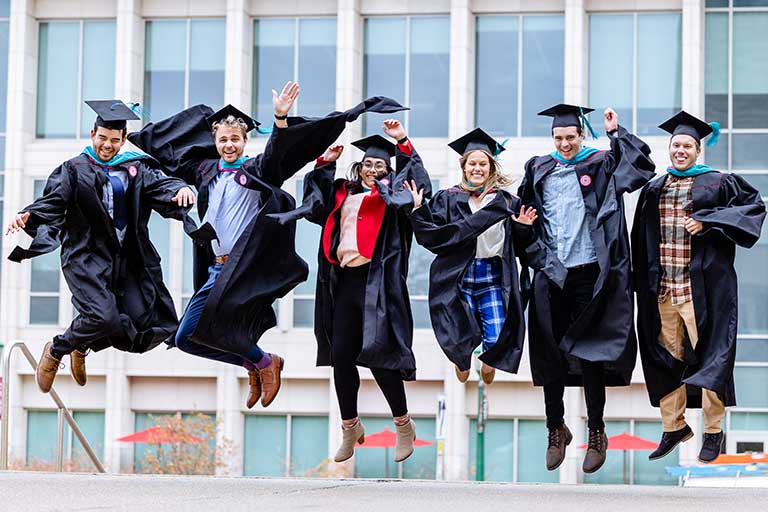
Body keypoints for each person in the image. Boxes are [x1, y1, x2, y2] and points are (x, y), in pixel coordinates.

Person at [129, 85, 409, 409]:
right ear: (215, 142)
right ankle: (259, 363)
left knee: (207, 332)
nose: (229, 145)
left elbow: (278, 155)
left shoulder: (255, 170)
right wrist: (136, 149)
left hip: (242, 268)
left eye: (235, 139)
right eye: (223, 139)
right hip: (215, 266)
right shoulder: (205, 170)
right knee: (185, 339)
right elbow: (168, 162)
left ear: (244, 140)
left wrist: (280, 118)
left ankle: (261, 362)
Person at [6, 100, 199, 393]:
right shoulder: (74, 170)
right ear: (92, 132)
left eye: (114, 140)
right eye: (102, 138)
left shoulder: (136, 167)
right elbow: (54, 202)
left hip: (126, 258)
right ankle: (58, 349)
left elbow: (162, 185)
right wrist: (29, 215)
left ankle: (81, 344)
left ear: (123, 140)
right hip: (86, 256)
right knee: (104, 316)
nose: (107, 145)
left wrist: (180, 189)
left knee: (144, 323)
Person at [273, 117, 431, 464]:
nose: (374, 169)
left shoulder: (393, 200)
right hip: (342, 281)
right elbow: (314, 204)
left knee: (378, 352)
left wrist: (403, 140)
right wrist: (324, 163)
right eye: (369, 164)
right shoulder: (342, 192)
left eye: (381, 165)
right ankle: (350, 427)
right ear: (359, 167)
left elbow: (419, 188)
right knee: (341, 355)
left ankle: (403, 425)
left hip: (378, 284)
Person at [518, 104, 656, 473]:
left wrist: (615, 134)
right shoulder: (538, 168)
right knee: (549, 353)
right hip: (551, 272)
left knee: (592, 353)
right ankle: (555, 427)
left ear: (581, 134)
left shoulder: (600, 163)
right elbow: (525, 220)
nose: (564, 143)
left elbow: (640, 168)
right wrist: (525, 236)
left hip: (590, 273)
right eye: (559, 138)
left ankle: (596, 430)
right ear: (552, 138)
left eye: (571, 136)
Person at [631, 111, 766, 463]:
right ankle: (673, 426)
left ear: (697, 149)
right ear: (670, 147)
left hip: (701, 289)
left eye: (687, 145)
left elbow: (753, 209)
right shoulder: (654, 188)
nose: (680, 150)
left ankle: (713, 431)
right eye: (676, 144)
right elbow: (640, 240)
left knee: (712, 357)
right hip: (663, 290)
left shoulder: (718, 182)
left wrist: (708, 221)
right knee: (664, 360)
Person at [404, 128, 537, 385]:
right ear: (464, 167)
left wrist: (522, 227)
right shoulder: (448, 199)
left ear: (491, 167)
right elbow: (432, 236)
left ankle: (488, 361)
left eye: (483, 164)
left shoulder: (508, 202)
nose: (477, 168)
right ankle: (461, 360)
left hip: (494, 275)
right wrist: (419, 209)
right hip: (459, 274)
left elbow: (522, 246)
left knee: (498, 335)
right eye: (472, 164)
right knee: (457, 330)